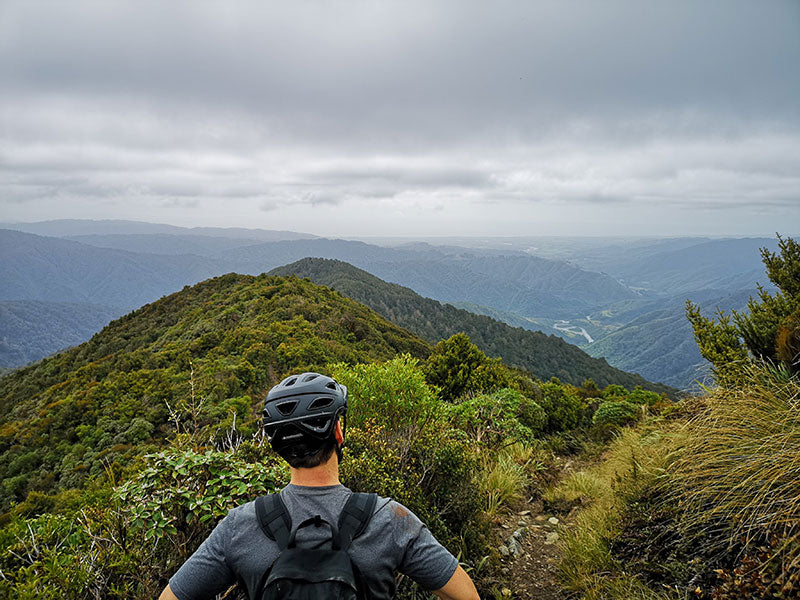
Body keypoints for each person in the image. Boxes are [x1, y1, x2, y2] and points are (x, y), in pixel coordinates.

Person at [159, 372, 480, 600]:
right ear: (338, 432)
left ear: (277, 444)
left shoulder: (239, 526)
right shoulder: (390, 519)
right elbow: (466, 595)